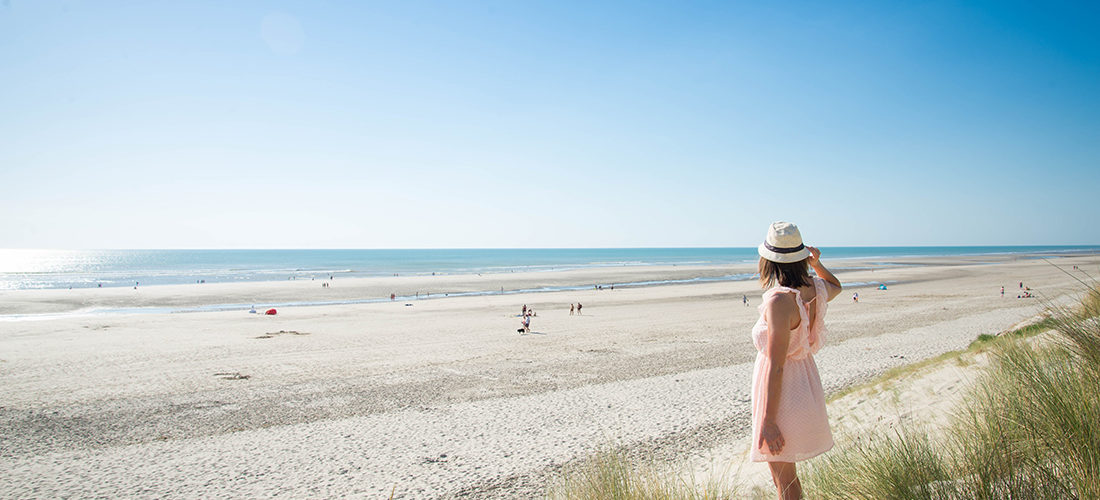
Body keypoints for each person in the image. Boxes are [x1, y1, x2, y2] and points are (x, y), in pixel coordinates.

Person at [751, 222, 842, 500]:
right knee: (788, 480)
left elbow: (777, 364)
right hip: (803, 381)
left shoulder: (779, 301)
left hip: (782, 390)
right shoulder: (813, 288)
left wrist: (768, 419)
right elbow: (836, 286)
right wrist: (817, 264)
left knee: (783, 480)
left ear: (769, 260)